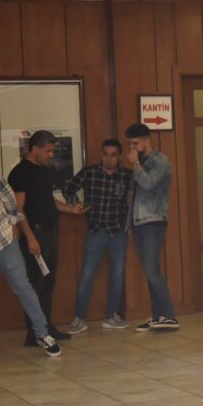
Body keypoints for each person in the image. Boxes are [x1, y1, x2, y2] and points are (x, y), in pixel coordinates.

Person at [0, 142, 63, 362]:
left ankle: (42, 334)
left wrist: (14, 223)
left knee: (23, 287)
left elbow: (9, 197)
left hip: (3, 241)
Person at [8, 130, 85, 344]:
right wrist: (30, 238)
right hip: (35, 233)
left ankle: (46, 327)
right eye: (48, 151)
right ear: (34, 149)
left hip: (51, 231)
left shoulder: (43, 170)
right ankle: (35, 332)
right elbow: (18, 210)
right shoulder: (20, 173)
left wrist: (71, 209)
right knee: (35, 283)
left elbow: (48, 200)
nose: (51, 155)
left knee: (48, 281)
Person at [62, 138, 133, 332]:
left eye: (113, 155)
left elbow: (138, 198)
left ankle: (111, 316)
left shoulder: (127, 175)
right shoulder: (90, 172)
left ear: (119, 157)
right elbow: (69, 188)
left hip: (118, 231)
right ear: (101, 155)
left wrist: (130, 223)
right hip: (95, 230)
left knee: (117, 275)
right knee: (87, 275)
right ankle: (79, 318)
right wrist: (76, 204)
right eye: (105, 155)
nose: (109, 159)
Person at [124, 123, 180, 331]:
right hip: (139, 222)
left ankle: (169, 316)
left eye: (135, 143)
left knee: (152, 270)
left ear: (147, 140)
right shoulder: (142, 161)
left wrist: (135, 164)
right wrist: (130, 224)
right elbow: (135, 194)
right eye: (129, 144)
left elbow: (148, 183)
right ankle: (158, 316)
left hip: (153, 221)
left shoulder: (160, 161)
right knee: (150, 271)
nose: (132, 147)